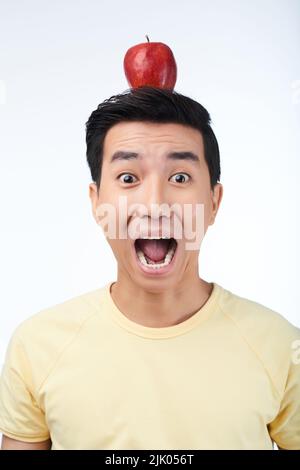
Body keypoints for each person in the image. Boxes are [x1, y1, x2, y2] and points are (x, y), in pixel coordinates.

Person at [0, 87, 299, 450]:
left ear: (214, 202)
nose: (155, 204)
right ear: (96, 202)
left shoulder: (282, 347)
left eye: (180, 178)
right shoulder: (36, 347)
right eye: (128, 178)